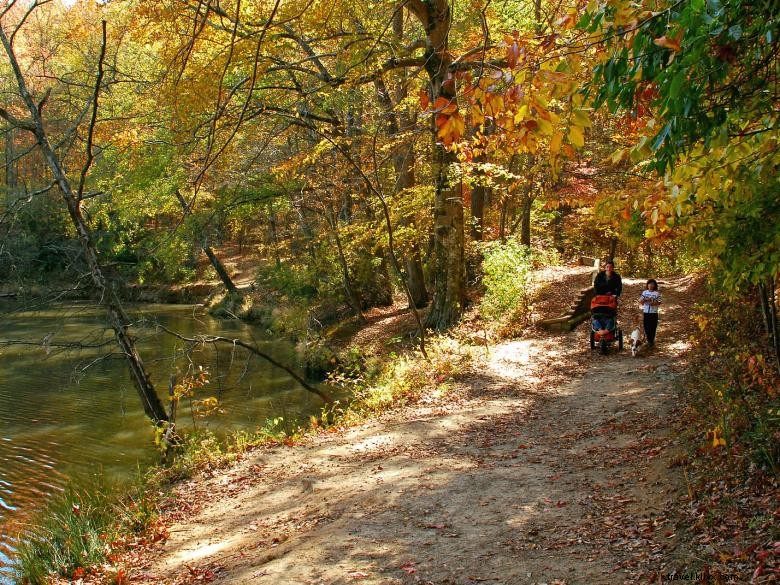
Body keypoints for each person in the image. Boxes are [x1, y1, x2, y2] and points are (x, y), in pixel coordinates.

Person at [639, 279, 661, 347]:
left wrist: (653, 303)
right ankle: (648, 339)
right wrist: (645, 300)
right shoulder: (644, 292)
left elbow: (659, 302)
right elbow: (640, 301)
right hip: (646, 312)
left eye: (652, 284)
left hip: (654, 313)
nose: (651, 285)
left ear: (655, 286)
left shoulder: (657, 293)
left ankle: (651, 341)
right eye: (649, 284)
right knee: (646, 327)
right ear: (647, 285)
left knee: (653, 327)